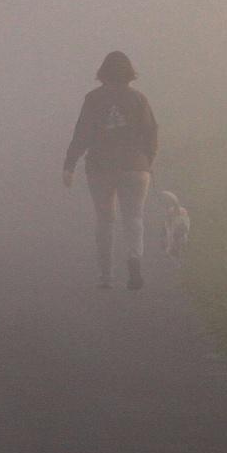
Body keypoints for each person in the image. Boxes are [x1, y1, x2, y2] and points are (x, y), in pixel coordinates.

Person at [63, 50, 158, 290]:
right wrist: (148, 161)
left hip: (100, 167)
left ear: (102, 73)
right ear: (129, 73)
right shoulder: (139, 99)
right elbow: (150, 133)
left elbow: (82, 134)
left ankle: (105, 276)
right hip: (135, 166)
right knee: (134, 218)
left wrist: (69, 164)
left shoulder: (93, 99)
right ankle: (134, 261)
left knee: (105, 220)